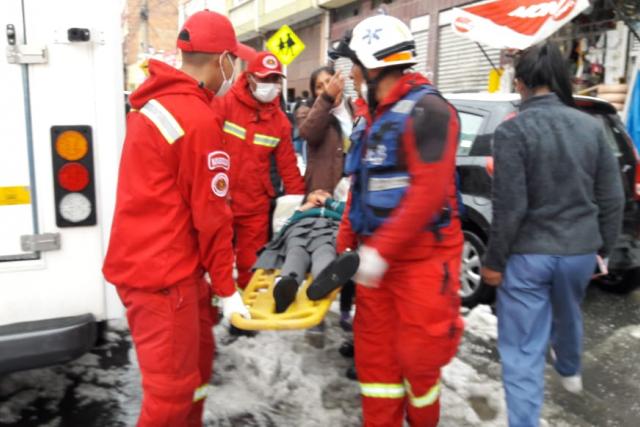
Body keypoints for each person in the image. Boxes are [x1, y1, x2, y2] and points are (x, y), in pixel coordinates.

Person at [102, 11, 252, 427]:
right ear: (222, 59)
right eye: (235, 61)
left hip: (159, 268)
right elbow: (212, 216)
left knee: (194, 376)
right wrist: (227, 288)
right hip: (165, 279)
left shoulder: (154, 105)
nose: (236, 71)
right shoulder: (196, 119)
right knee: (170, 396)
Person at [480, 41, 625, 427]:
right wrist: (603, 250)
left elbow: (510, 207)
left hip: (528, 257)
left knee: (522, 350)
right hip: (579, 251)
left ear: (522, 83)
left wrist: (494, 262)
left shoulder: (513, 130)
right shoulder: (590, 127)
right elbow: (612, 197)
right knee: (568, 309)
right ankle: (569, 367)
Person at [336, 14, 464, 426]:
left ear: (373, 67)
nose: (350, 75)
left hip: (423, 265)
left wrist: (380, 252)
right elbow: (360, 187)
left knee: (419, 365)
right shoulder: (371, 118)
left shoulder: (430, 111)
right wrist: (345, 243)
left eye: (354, 66)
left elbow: (429, 190)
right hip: (376, 268)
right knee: (376, 369)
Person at [213, 51, 306, 290]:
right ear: (250, 78)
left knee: (250, 262)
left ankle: (246, 305)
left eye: (275, 79)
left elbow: (288, 166)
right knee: (216, 259)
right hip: (220, 199)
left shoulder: (280, 122)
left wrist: (298, 203)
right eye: (264, 78)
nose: (270, 85)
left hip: (255, 203)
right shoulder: (225, 103)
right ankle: (217, 301)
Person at [253, 189, 359, 313]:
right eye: (315, 193)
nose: (320, 193)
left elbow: (350, 213)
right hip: (300, 230)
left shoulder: (337, 207)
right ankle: (286, 286)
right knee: (296, 253)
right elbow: (285, 226)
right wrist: (306, 206)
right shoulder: (302, 211)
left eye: (324, 192)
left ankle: (322, 281)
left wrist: (328, 202)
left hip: (329, 229)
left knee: (325, 251)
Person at [298, 66, 350, 193]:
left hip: (351, 188)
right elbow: (309, 134)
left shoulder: (354, 108)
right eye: (319, 87)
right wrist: (327, 98)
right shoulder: (307, 113)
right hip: (323, 191)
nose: (327, 88)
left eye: (329, 81)